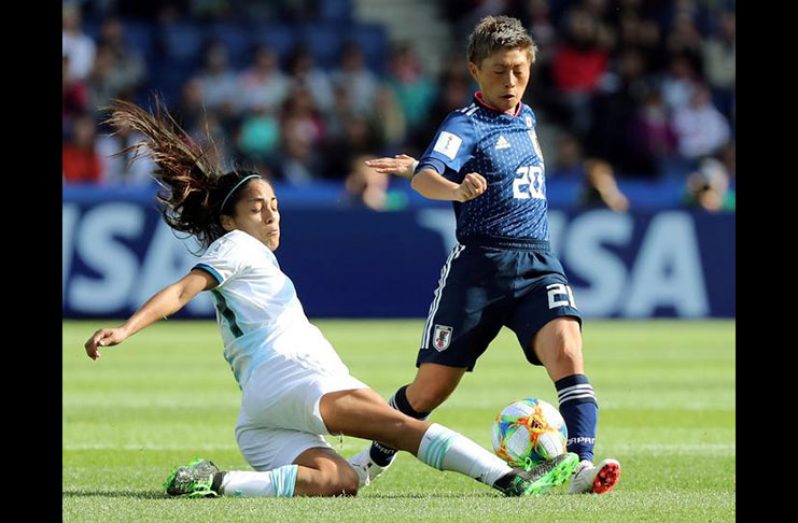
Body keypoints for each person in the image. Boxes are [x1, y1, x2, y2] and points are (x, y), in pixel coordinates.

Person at [83, 98, 579, 499]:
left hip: (258, 417)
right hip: (293, 376)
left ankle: (216, 482)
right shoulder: (234, 246)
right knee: (403, 426)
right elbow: (182, 289)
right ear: (230, 220)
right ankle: (511, 479)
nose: (272, 215)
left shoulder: (246, 254)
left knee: (338, 482)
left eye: (275, 205)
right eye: (258, 208)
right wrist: (127, 328)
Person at [361, 16, 621, 495]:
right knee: (429, 391)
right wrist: (455, 188)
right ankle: (369, 461)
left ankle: (582, 464)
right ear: (474, 69)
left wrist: (428, 170)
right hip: (479, 268)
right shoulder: (465, 123)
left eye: (519, 70)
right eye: (499, 71)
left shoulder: (528, 117)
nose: (511, 81)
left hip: (537, 262)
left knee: (567, 351)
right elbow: (427, 179)